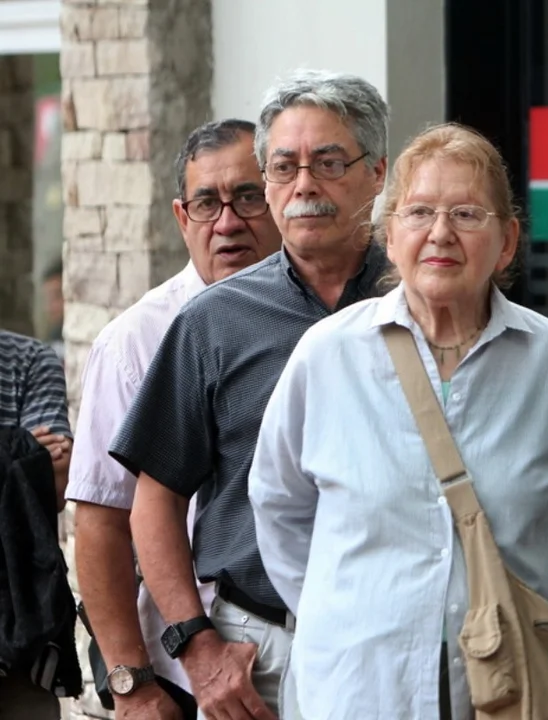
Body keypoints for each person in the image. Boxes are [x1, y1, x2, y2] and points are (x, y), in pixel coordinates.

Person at [248, 123, 548, 719]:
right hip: (361, 684)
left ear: (508, 240)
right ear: (389, 236)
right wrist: (347, 613)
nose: (441, 234)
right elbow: (279, 507)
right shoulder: (328, 353)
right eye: (418, 213)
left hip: (524, 685)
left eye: (467, 214)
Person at [109, 70, 390, 719]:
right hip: (260, 648)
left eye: (328, 163)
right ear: (267, 181)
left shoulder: (416, 304)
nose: (304, 186)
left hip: (394, 639)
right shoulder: (214, 320)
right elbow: (154, 500)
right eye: (284, 166)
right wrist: (194, 644)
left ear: (376, 173)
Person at [66, 119, 283, 720]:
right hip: (188, 672)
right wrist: (132, 688)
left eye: (247, 196)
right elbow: (101, 524)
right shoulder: (136, 342)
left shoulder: (327, 319)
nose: (228, 222)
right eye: (206, 203)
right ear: (181, 217)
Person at [0, 328, 74, 717]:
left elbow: (53, 483)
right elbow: (30, 470)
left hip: (17, 640)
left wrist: (27, 464)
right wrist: (15, 452)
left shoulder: (29, 360)